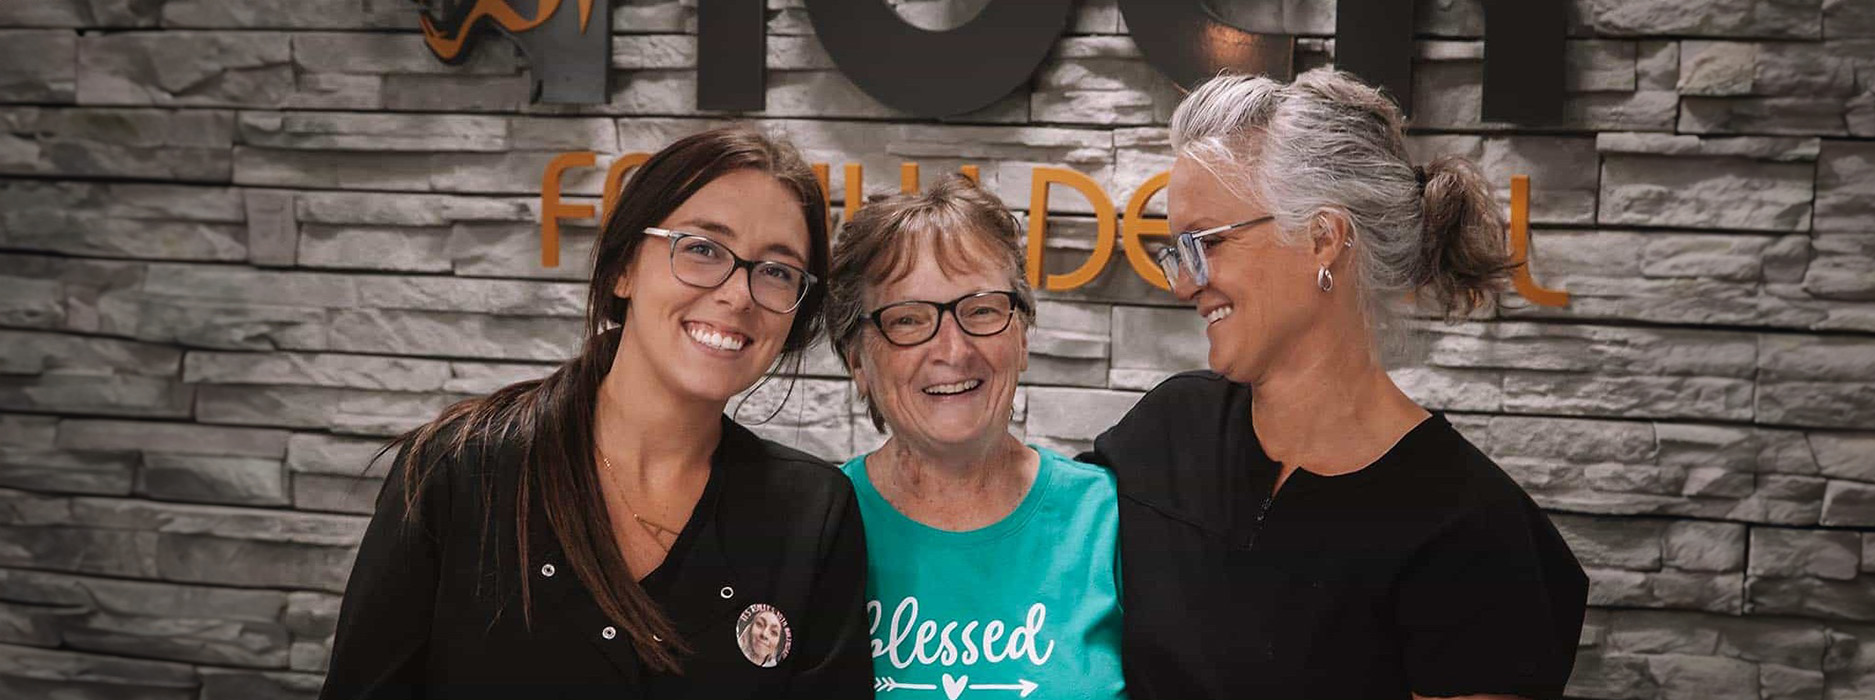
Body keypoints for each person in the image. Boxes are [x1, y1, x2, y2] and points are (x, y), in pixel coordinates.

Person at [1080, 70, 1588, 700]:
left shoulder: (1472, 532)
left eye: (1206, 243)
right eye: (1179, 252)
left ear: (1323, 238)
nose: (1185, 282)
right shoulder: (1166, 432)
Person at [321, 125, 873, 699]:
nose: (739, 294)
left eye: (777, 271)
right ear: (623, 268)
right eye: (702, 249)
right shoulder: (459, 470)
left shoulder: (812, 513)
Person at [823, 175, 1126, 700]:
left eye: (981, 310)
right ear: (859, 363)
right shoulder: (818, 529)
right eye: (908, 319)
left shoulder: (1112, 520)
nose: (954, 350)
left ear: (1022, 337)